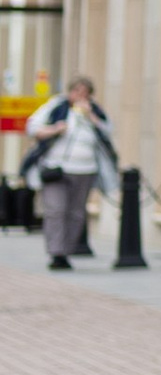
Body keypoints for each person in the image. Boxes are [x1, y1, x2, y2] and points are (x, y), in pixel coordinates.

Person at [25, 75, 118, 270]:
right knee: (55, 210)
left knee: (76, 213)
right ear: (70, 92)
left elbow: (108, 130)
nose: (80, 96)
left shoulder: (95, 111)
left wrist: (91, 117)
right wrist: (55, 129)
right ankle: (56, 253)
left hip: (85, 170)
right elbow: (32, 127)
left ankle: (66, 252)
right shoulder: (57, 106)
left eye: (85, 93)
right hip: (56, 169)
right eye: (77, 91)